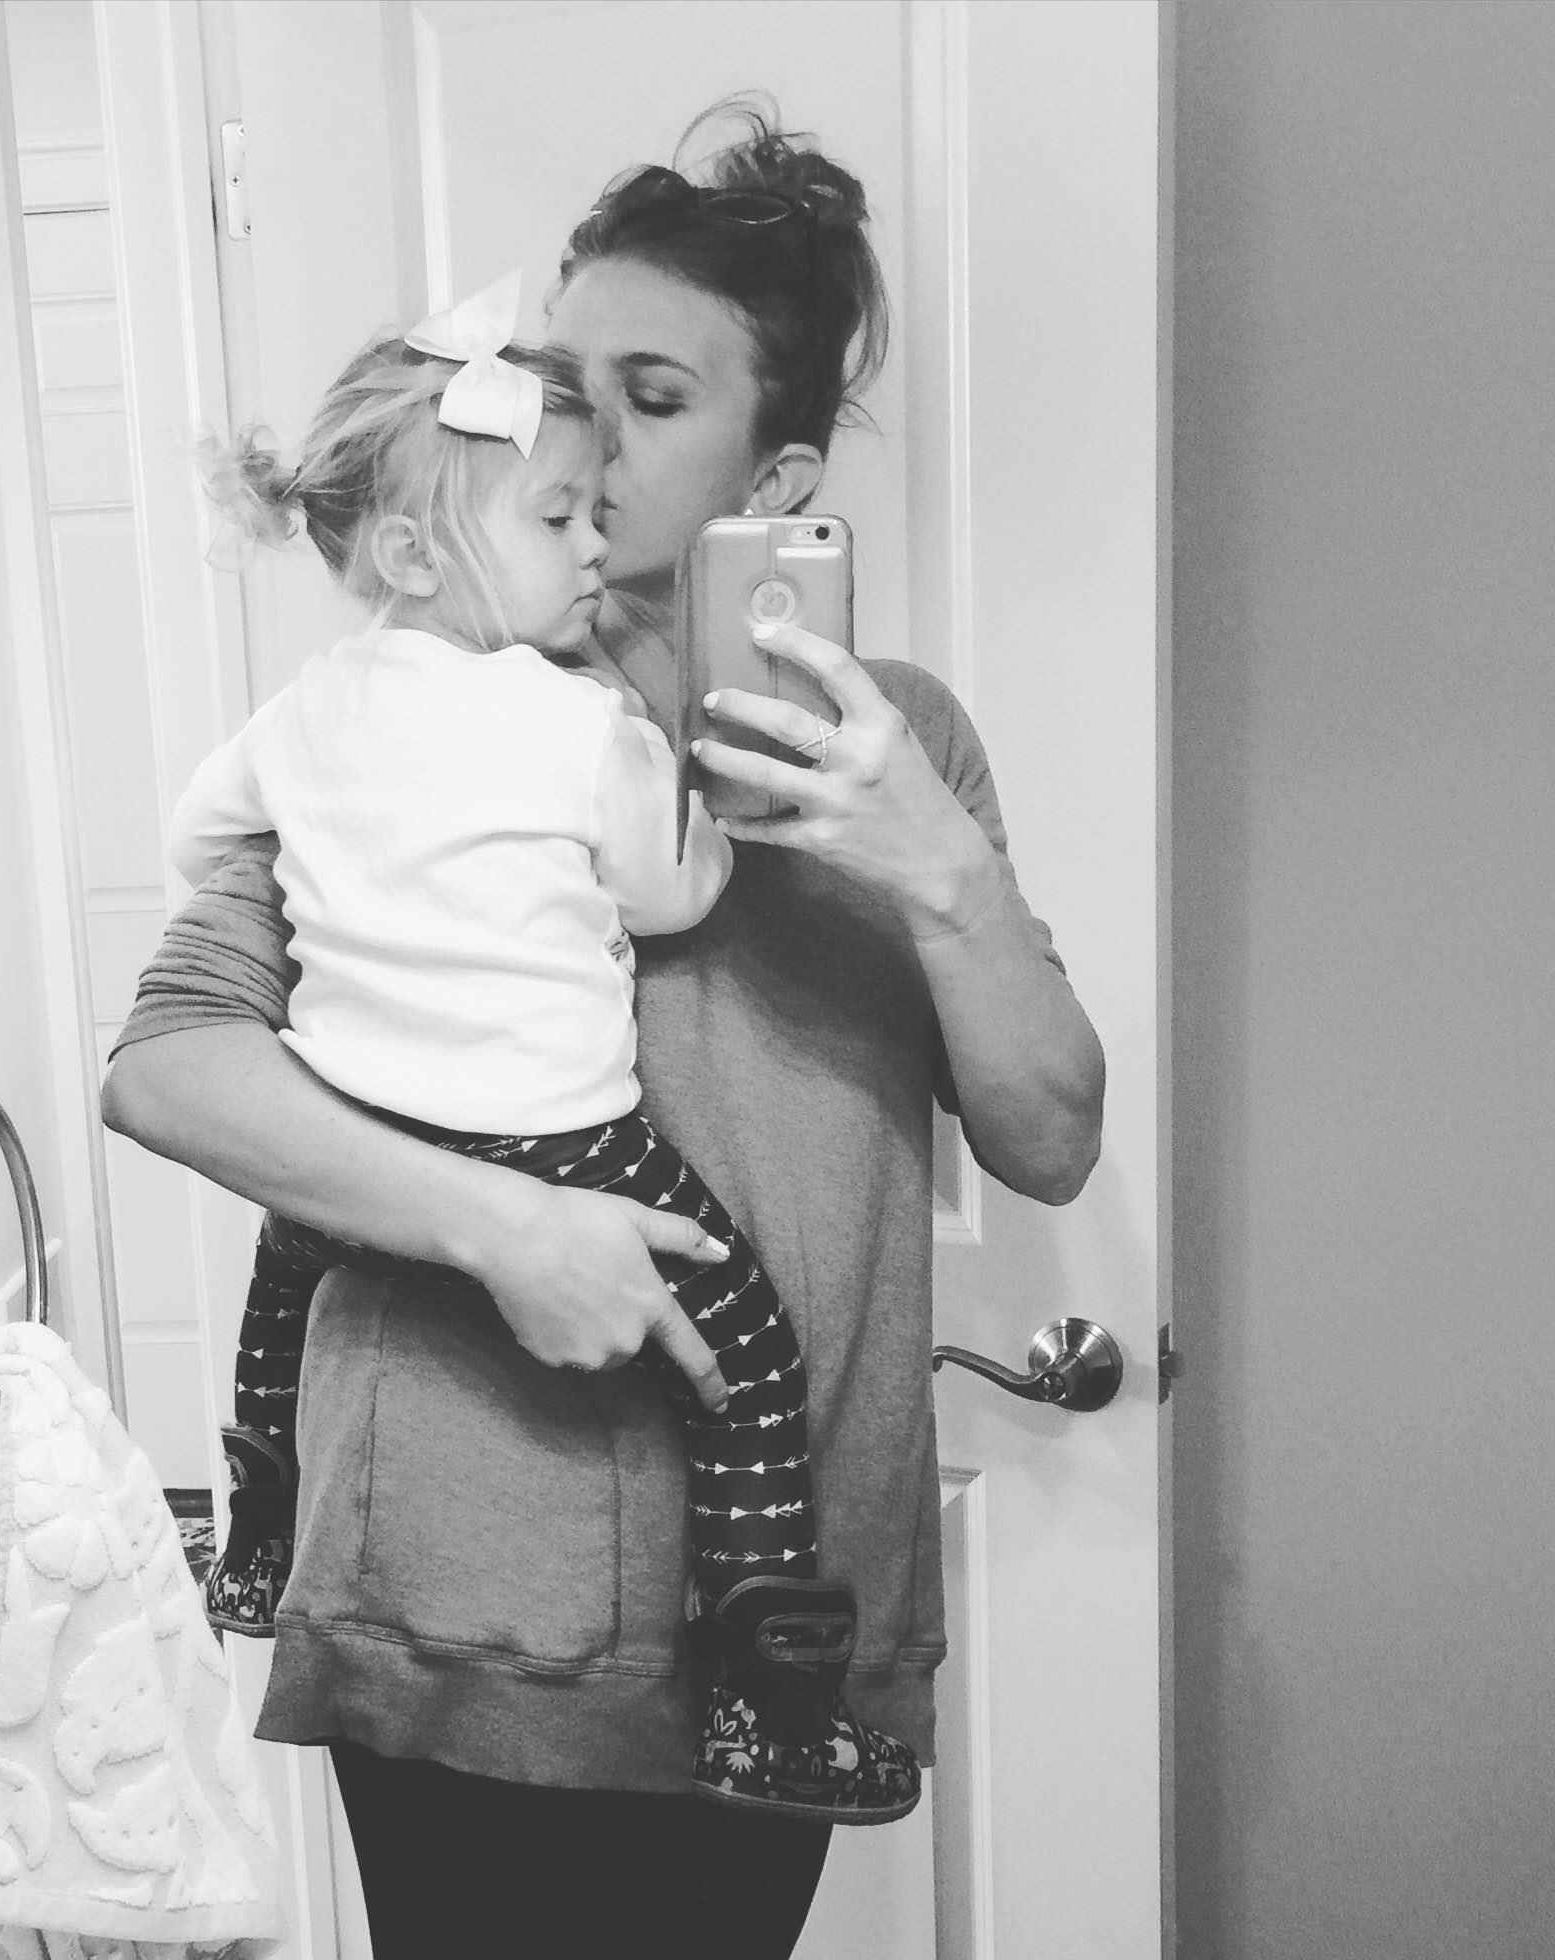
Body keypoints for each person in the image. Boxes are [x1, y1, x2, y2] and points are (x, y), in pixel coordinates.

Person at [103, 100, 1104, 1960]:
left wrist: (937, 868)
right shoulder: (404, 703)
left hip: (780, 1616)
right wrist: (507, 1228)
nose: (581, 433)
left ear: (774, 471)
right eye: (565, 383)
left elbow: (1048, 1137)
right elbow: (171, 1066)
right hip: (458, 1586)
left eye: (652, 397)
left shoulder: (904, 739)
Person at [169, 272, 916, 1822]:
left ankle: (252, 1538)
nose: (591, 540)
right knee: (743, 1352)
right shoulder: (578, 723)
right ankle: (766, 1693)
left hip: (361, 1126)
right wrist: (709, 822)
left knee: (284, 1279)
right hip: (557, 1140)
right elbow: (670, 895)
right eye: (558, 516)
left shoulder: (300, 714)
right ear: (413, 553)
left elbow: (197, 837)